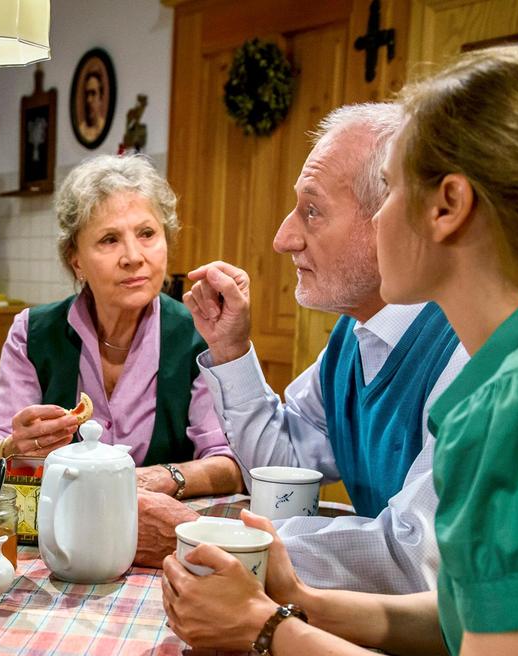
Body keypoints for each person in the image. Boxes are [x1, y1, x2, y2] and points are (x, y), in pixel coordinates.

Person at [162, 46, 518, 656]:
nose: (383, 216)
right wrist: (305, 602)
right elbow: (469, 622)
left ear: (447, 205)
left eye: (391, 189)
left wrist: (270, 631)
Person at [136, 103, 469, 596]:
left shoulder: (465, 347)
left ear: (401, 216)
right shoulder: (354, 337)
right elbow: (282, 463)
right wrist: (231, 349)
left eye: (311, 211)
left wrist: (207, 536)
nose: (283, 238)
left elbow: (416, 557)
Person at [0, 154, 240, 499]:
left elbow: (230, 463)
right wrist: (12, 446)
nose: (133, 256)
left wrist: (161, 477)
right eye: (109, 240)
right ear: (76, 260)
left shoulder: (199, 334)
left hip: (162, 533)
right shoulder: (33, 333)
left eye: (147, 234)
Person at [77, 69, 106, 141]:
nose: (89, 100)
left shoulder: (104, 127)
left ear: (101, 98)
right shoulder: (81, 130)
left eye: (93, 93)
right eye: (87, 94)